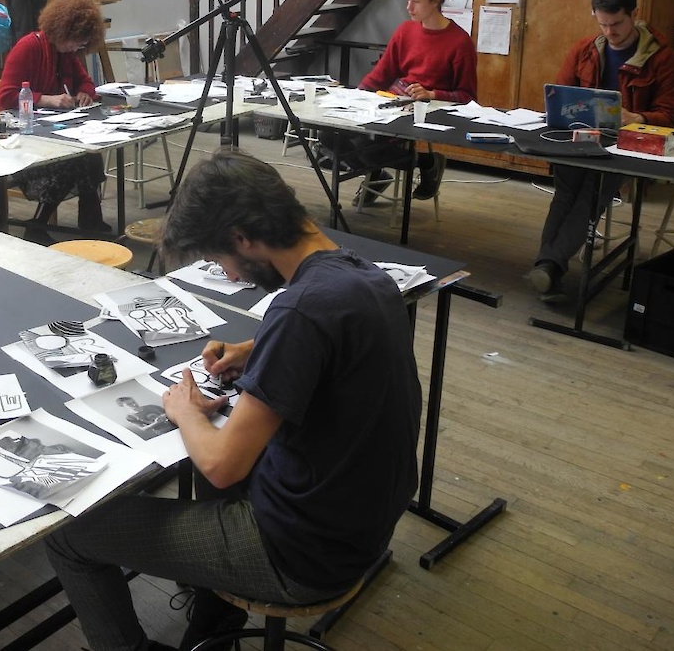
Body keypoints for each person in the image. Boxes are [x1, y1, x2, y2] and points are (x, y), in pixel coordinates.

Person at [45, 150, 421, 651]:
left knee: (69, 535)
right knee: (208, 464)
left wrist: (182, 411)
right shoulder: (365, 277)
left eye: (221, 259)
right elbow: (332, 346)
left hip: (302, 554)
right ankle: (213, 623)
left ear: (244, 237)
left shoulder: (300, 313)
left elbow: (223, 466)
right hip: (362, 523)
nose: (233, 275)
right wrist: (260, 348)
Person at [527, 0, 674, 301]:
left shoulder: (662, 59)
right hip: (582, 137)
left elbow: (670, 115)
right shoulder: (585, 49)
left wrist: (638, 118)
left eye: (617, 24)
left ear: (634, 15)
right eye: (603, 24)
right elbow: (560, 95)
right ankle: (549, 266)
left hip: (626, 144)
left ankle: (549, 265)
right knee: (566, 193)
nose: (610, 32)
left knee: (590, 195)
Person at [351, 0, 478, 201]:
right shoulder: (405, 30)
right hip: (395, 103)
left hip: (427, 111)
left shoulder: (460, 43)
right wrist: (355, 97)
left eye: (416, 1)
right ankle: (391, 170)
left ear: (436, 1)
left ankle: (426, 163)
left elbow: (467, 96)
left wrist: (432, 93)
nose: (409, 7)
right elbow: (382, 74)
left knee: (363, 143)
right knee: (334, 137)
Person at [0, 0, 110, 240]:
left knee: (89, 154)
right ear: (63, 29)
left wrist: (84, 93)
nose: (76, 49)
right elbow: (5, 96)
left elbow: (87, 82)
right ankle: (39, 225)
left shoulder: (66, 53)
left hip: (53, 133)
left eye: (81, 46)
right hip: (23, 140)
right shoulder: (28, 47)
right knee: (75, 160)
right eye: (75, 42)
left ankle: (89, 220)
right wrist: (46, 99)